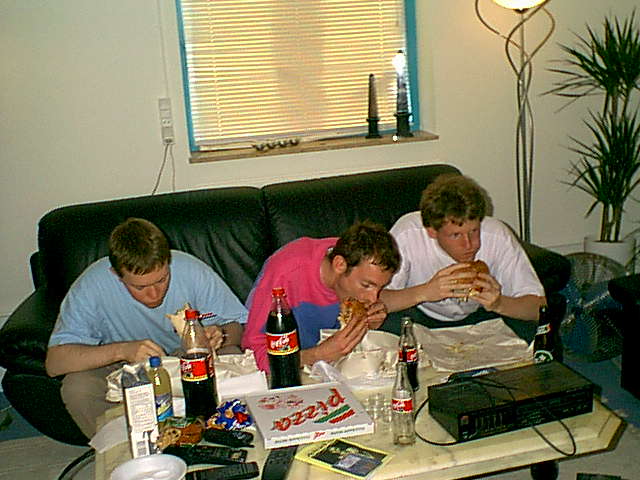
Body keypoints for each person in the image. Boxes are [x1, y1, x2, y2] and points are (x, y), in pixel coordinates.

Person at [45, 217, 248, 438]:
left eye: (162, 280)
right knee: (78, 388)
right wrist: (121, 350)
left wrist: (221, 335)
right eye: (139, 287)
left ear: (168, 261)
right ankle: (121, 446)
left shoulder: (193, 271)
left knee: (231, 354)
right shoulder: (92, 285)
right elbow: (55, 363)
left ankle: (221, 435)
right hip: (121, 365)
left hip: (185, 357)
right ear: (116, 274)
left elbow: (238, 325)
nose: (153, 294)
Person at [380, 174, 545, 337]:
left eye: (474, 231)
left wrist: (499, 303)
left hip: (480, 316)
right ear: (432, 231)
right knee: (384, 324)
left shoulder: (497, 235)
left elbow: (538, 307)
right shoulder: (407, 234)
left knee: (532, 331)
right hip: (418, 314)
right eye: (456, 235)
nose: (469, 244)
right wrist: (423, 292)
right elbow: (375, 300)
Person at [241, 221, 401, 372]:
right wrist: (317, 355)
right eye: (366, 285)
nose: (373, 298)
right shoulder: (287, 273)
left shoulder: (354, 259)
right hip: (288, 371)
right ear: (339, 265)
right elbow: (252, 356)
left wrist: (366, 325)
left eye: (380, 288)